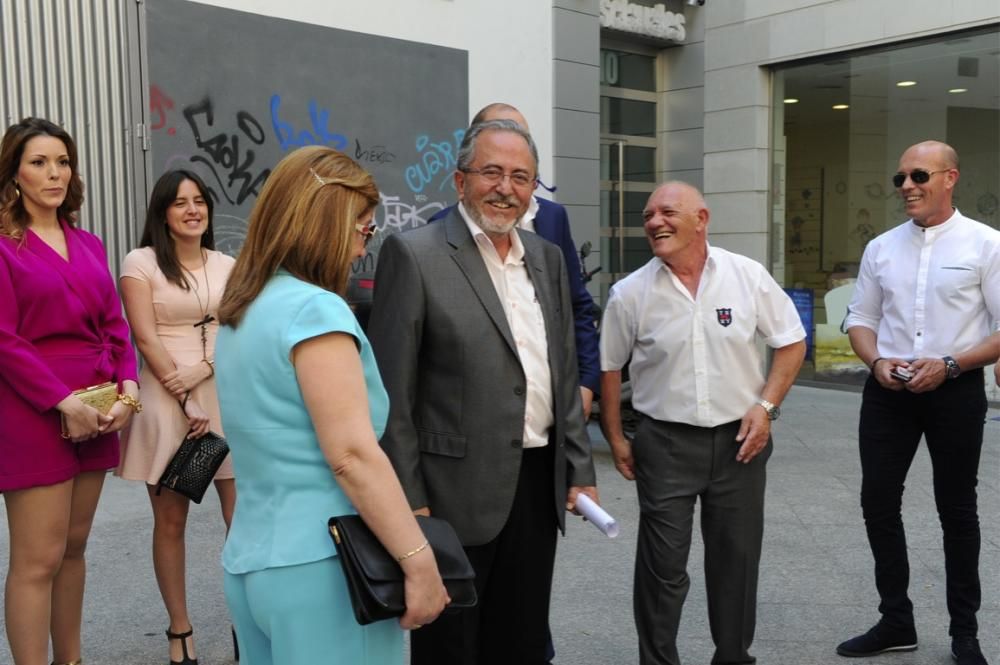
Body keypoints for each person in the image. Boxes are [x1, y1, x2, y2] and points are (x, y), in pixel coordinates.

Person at [368, 118, 599, 665]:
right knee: (451, 646)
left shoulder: (546, 257)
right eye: (491, 172)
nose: (506, 188)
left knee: (520, 641)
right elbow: (391, 394)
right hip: (450, 493)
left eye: (521, 177)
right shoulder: (414, 253)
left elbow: (560, 368)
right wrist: (409, 502)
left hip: (537, 483)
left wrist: (579, 465)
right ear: (459, 180)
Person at [214, 145, 448, 664]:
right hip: (328, 567)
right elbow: (352, 455)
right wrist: (419, 560)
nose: (362, 246)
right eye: (363, 228)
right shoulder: (314, 310)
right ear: (328, 222)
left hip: (253, 562)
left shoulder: (242, 310)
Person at [599, 181, 806, 665]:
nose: (654, 222)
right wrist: (614, 437)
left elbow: (791, 342)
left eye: (667, 211)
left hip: (741, 443)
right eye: (648, 215)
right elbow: (610, 368)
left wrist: (768, 407)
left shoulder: (746, 275)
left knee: (736, 562)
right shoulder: (629, 293)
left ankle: (733, 656)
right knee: (662, 568)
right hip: (664, 443)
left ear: (702, 219)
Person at [838, 140, 1000, 665]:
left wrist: (951, 364)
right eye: (900, 178)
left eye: (918, 175)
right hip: (888, 392)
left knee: (957, 509)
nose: (907, 185)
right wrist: (876, 362)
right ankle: (896, 621)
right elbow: (860, 320)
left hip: (956, 390)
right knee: (877, 502)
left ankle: (964, 633)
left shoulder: (986, 245)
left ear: (949, 178)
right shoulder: (881, 247)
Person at [0, 117, 141, 665]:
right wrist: (63, 402)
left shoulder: (87, 241)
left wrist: (128, 389)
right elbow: (4, 338)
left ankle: (72, 660)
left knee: (75, 549)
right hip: (33, 410)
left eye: (62, 161)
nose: (54, 173)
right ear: (14, 174)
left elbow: (114, 324)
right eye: (38, 162)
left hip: (101, 406)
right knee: (38, 559)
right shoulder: (5, 245)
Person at [116, 169, 236, 665]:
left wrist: (204, 372)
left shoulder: (228, 263)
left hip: (224, 390)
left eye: (200, 201)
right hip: (167, 398)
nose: (192, 210)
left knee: (242, 518)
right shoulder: (140, 263)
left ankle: (247, 624)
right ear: (161, 212)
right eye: (180, 202)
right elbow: (144, 338)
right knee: (170, 521)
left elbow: (237, 328)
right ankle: (180, 632)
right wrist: (184, 394)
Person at [428, 102, 601, 419]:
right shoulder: (436, 233)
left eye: (520, 135)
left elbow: (576, 304)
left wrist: (586, 381)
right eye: (493, 168)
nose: (505, 186)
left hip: (548, 416)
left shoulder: (553, 219)